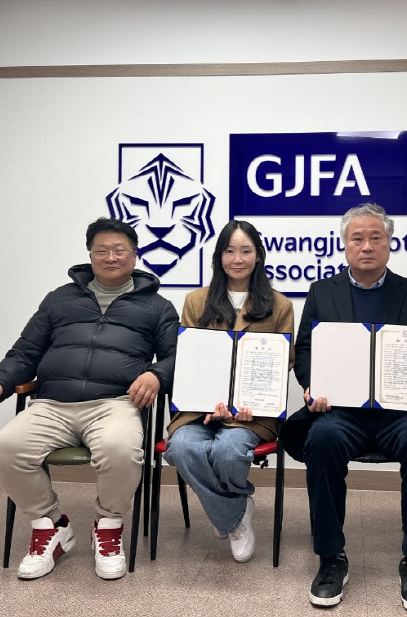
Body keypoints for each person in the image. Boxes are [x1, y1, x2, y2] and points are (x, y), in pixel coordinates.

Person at [0, 218, 179, 580]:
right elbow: (26, 351)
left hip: (115, 403)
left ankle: (108, 526)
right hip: (52, 404)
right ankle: (51, 525)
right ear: (90, 255)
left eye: (119, 250)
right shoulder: (60, 298)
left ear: (135, 255)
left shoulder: (158, 307)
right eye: (102, 250)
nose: (110, 257)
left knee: (120, 449)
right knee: (7, 448)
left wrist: (156, 374)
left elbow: (176, 357)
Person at [282, 203, 407, 613]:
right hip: (341, 412)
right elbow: (305, 350)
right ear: (345, 244)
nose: (367, 246)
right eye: (357, 238)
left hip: (399, 413)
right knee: (321, 440)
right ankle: (331, 557)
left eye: (376, 237)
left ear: (389, 243)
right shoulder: (323, 292)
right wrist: (311, 385)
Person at [163, 220, 294, 563]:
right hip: (198, 409)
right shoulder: (196, 301)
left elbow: (283, 363)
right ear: (219, 256)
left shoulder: (280, 305)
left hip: (252, 413)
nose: (237, 259)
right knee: (182, 447)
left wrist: (248, 402)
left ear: (258, 255)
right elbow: (190, 359)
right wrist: (209, 401)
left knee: (229, 451)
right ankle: (236, 514)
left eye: (246, 251)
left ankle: (227, 515)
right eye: (230, 251)